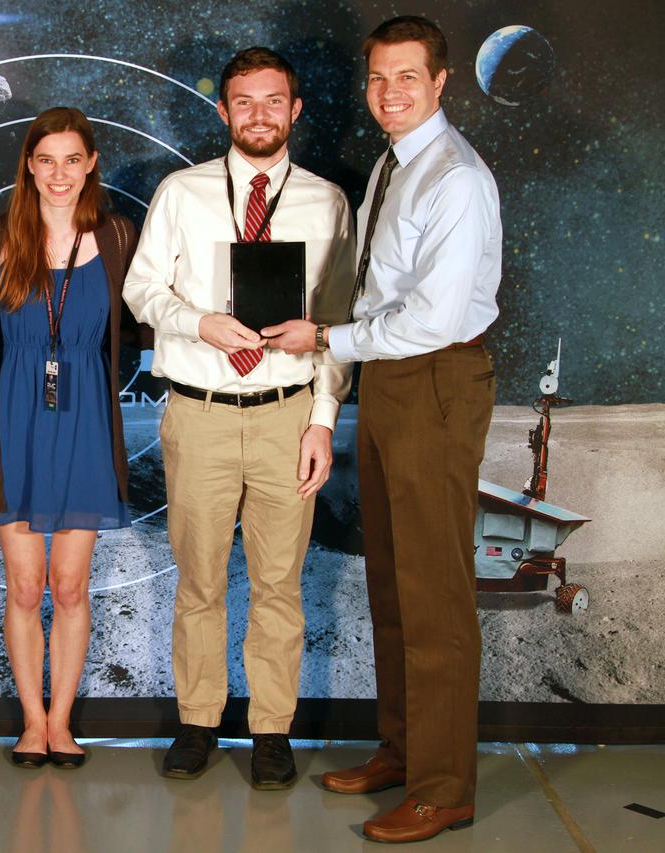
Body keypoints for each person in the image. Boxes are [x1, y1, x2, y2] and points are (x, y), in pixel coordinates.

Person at [264, 15, 501, 843]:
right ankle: (403, 750)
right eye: (377, 79)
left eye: (407, 78)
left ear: (441, 82)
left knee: (435, 594)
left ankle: (445, 788)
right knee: (397, 585)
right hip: (392, 382)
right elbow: (377, 293)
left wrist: (325, 339)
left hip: (434, 379)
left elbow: (431, 319)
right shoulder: (395, 168)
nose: (389, 93)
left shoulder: (456, 179)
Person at [122, 47, 354, 787]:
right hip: (202, 414)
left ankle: (271, 730)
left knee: (280, 581)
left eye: (273, 100)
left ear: (295, 111)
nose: (259, 114)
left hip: (289, 414)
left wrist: (322, 417)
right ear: (223, 111)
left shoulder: (327, 202)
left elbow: (343, 321)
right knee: (199, 578)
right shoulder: (181, 193)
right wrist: (196, 323)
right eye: (243, 101)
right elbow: (141, 292)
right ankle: (197, 720)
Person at [0, 108, 138, 769]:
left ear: (91, 163)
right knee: (24, 586)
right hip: (15, 425)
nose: (59, 173)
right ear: (28, 165)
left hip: (87, 422)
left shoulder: (119, 236)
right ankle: (31, 721)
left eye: (73, 159)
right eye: (46, 160)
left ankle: (62, 721)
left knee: (69, 587)